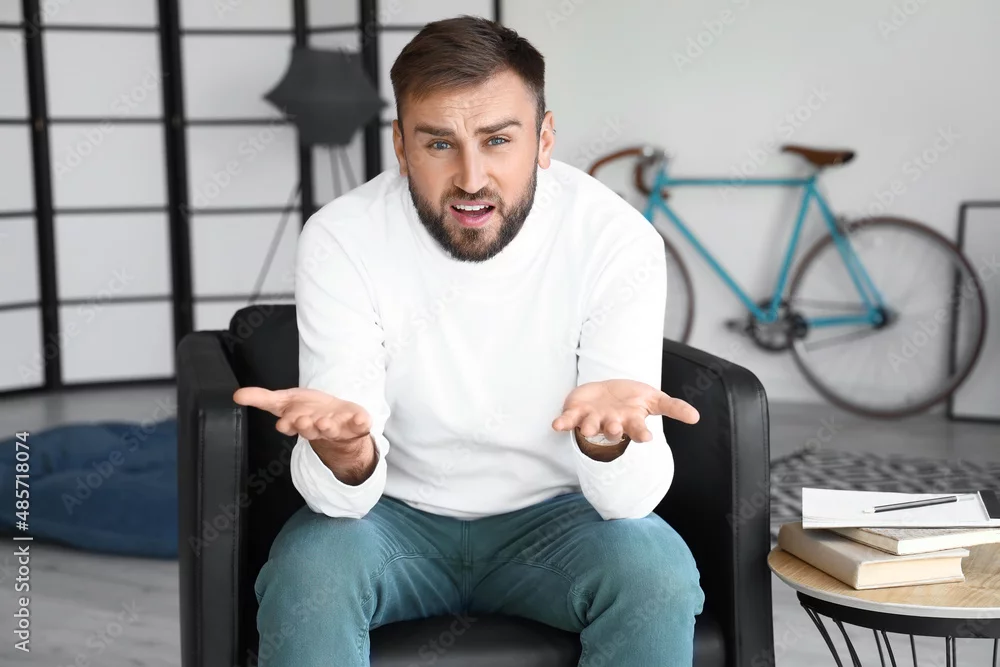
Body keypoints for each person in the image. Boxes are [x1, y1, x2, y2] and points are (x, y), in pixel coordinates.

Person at [233, 15, 706, 667]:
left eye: (498, 140)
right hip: (389, 517)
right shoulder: (342, 238)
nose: (472, 178)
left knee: (658, 576)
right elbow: (338, 498)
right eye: (439, 144)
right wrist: (347, 453)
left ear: (544, 140)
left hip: (561, 520)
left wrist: (605, 441)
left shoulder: (616, 240)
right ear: (401, 147)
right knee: (309, 576)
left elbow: (629, 502)